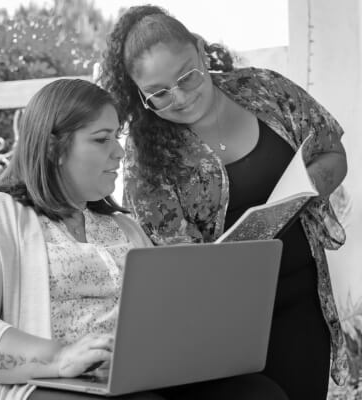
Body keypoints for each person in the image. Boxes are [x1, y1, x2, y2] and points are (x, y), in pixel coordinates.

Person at [0, 79, 289, 400]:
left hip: (132, 379)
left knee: (259, 392)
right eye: (101, 139)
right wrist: (59, 357)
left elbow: (157, 318)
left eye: (117, 136)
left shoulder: (123, 226)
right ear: (54, 148)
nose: (119, 151)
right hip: (40, 384)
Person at [100, 4, 351, 400]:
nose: (180, 98)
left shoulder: (265, 89)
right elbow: (173, 265)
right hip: (225, 324)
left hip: (303, 298)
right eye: (159, 94)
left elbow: (332, 151)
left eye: (187, 76)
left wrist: (302, 190)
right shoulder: (145, 157)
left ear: (201, 50)